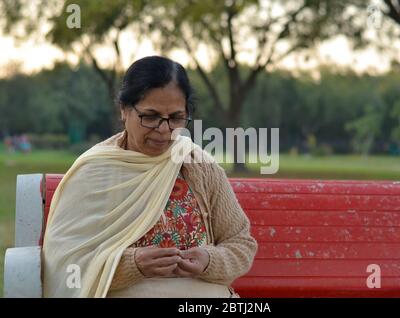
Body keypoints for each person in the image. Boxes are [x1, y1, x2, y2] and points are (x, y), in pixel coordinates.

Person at [42, 56, 257, 298]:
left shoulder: (199, 166)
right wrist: (132, 264)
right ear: (124, 110)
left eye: (176, 118)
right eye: (151, 116)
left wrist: (208, 260)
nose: (164, 129)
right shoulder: (94, 172)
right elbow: (68, 264)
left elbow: (240, 244)